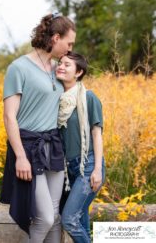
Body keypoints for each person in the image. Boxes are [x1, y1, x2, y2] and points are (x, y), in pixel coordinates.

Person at [0, 13, 76, 243]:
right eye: (69, 43)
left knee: (54, 215)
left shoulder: (58, 69)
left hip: (53, 146)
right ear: (55, 38)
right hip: (29, 148)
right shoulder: (18, 68)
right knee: (43, 216)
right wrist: (20, 157)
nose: (70, 49)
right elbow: (9, 116)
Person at [56, 51, 105, 243]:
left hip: (89, 165)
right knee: (81, 222)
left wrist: (98, 169)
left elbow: (96, 134)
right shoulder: (57, 100)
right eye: (60, 63)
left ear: (78, 72)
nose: (61, 66)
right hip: (68, 171)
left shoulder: (89, 97)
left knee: (69, 220)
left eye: (67, 64)